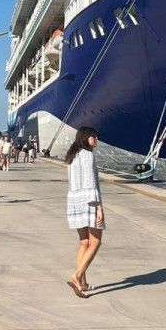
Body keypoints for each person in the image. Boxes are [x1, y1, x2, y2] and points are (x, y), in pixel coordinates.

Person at [65, 127, 104, 298]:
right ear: (84, 138)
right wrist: (99, 206)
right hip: (89, 201)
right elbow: (90, 183)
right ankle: (77, 275)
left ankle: (83, 283)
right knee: (95, 243)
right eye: (93, 136)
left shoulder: (71, 156)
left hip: (74, 202)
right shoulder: (88, 156)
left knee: (84, 243)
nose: (96, 139)